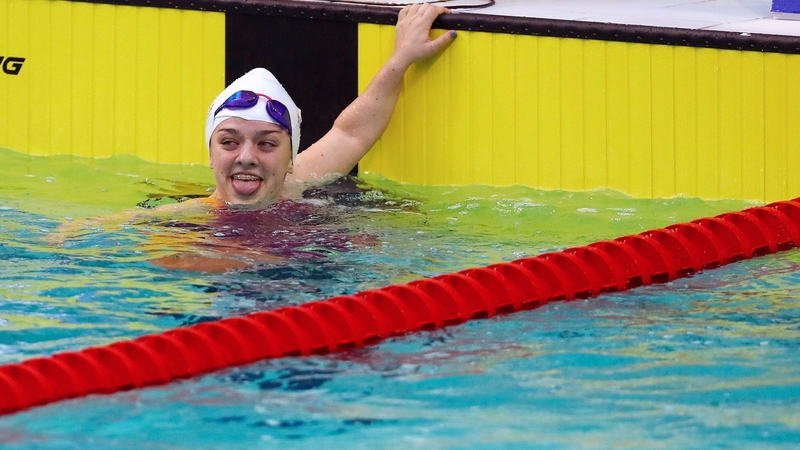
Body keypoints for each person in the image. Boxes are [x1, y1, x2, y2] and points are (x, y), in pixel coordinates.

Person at [203, 3, 457, 209]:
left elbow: (351, 134)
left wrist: (402, 57)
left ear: (290, 160)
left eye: (267, 143)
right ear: (210, 154)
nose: (247, 158)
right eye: (229, 142)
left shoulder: (292, 182)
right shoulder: (182, 223)